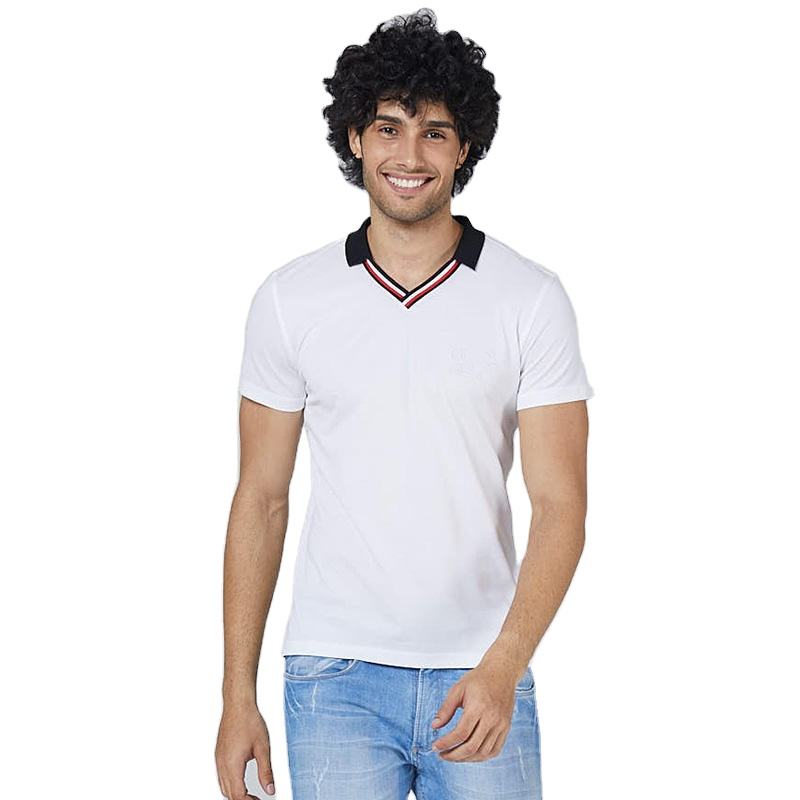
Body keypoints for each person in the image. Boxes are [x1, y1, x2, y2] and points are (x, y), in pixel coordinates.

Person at [215, 9, 594, 800]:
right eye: (388, 128)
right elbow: (261, 499)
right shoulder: (290, 299)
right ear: (355, 137)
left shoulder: (530, 298)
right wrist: (235, 696)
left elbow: (561, 505)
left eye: (434, 132)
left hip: (484, 668)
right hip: (334, 677)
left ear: (465, 148)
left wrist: (505, 663)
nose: (410, 156)